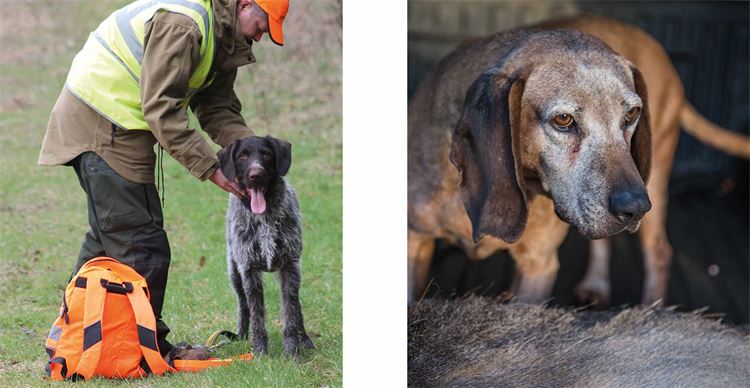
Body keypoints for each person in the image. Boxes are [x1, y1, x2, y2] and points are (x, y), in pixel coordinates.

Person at [38, 0, 288, 361]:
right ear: (245, 3)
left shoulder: (222, 36)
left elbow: (216, 105)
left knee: (110, 240)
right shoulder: (185, 25)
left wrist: (250, 157)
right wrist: (212, 168)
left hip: (120, 124)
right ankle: (148, 350)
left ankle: (67, 342)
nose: (261, 36)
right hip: (101, 120)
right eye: (262, 24)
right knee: (142, 243)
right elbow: (160, 107)